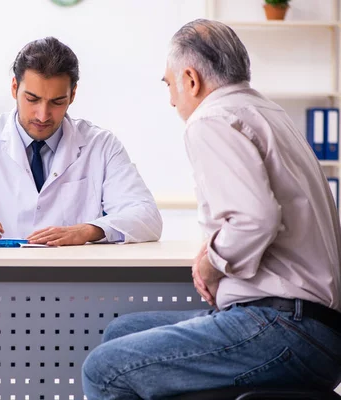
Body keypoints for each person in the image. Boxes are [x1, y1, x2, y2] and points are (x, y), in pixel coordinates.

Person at [82, 19, 341, 399]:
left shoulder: (211, 119)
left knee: (104, 369)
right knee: (123, 334)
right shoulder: (269, 113)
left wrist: (211, 263)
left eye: (168, 84)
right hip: (319, 330)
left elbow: (256, 219)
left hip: (286, 328)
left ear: (190, 79)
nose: (171, 99)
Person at [0, 37, 162, 245]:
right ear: (14, 88)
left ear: (72, 95)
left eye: (57, 102)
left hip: (76, 288)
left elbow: (146, 217)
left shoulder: (101, 146)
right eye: (32, 99)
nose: (43, 115)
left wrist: (87, 231)